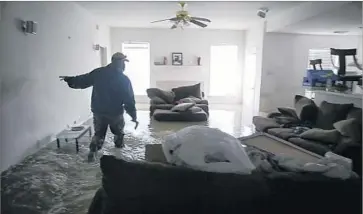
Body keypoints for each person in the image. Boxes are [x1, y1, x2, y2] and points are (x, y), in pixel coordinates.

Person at [60, 52, 138, 162]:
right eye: (123, 62)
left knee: (98, 134)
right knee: (119, 133)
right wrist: (133, 115)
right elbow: (129, 99)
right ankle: (119, 154)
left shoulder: (99, 73)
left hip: (98, 111)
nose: (124, 65)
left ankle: (92, 152)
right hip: (115, 113)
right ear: (119, 63)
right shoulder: (123, 79)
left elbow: (83, 80)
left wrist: (70, 80)